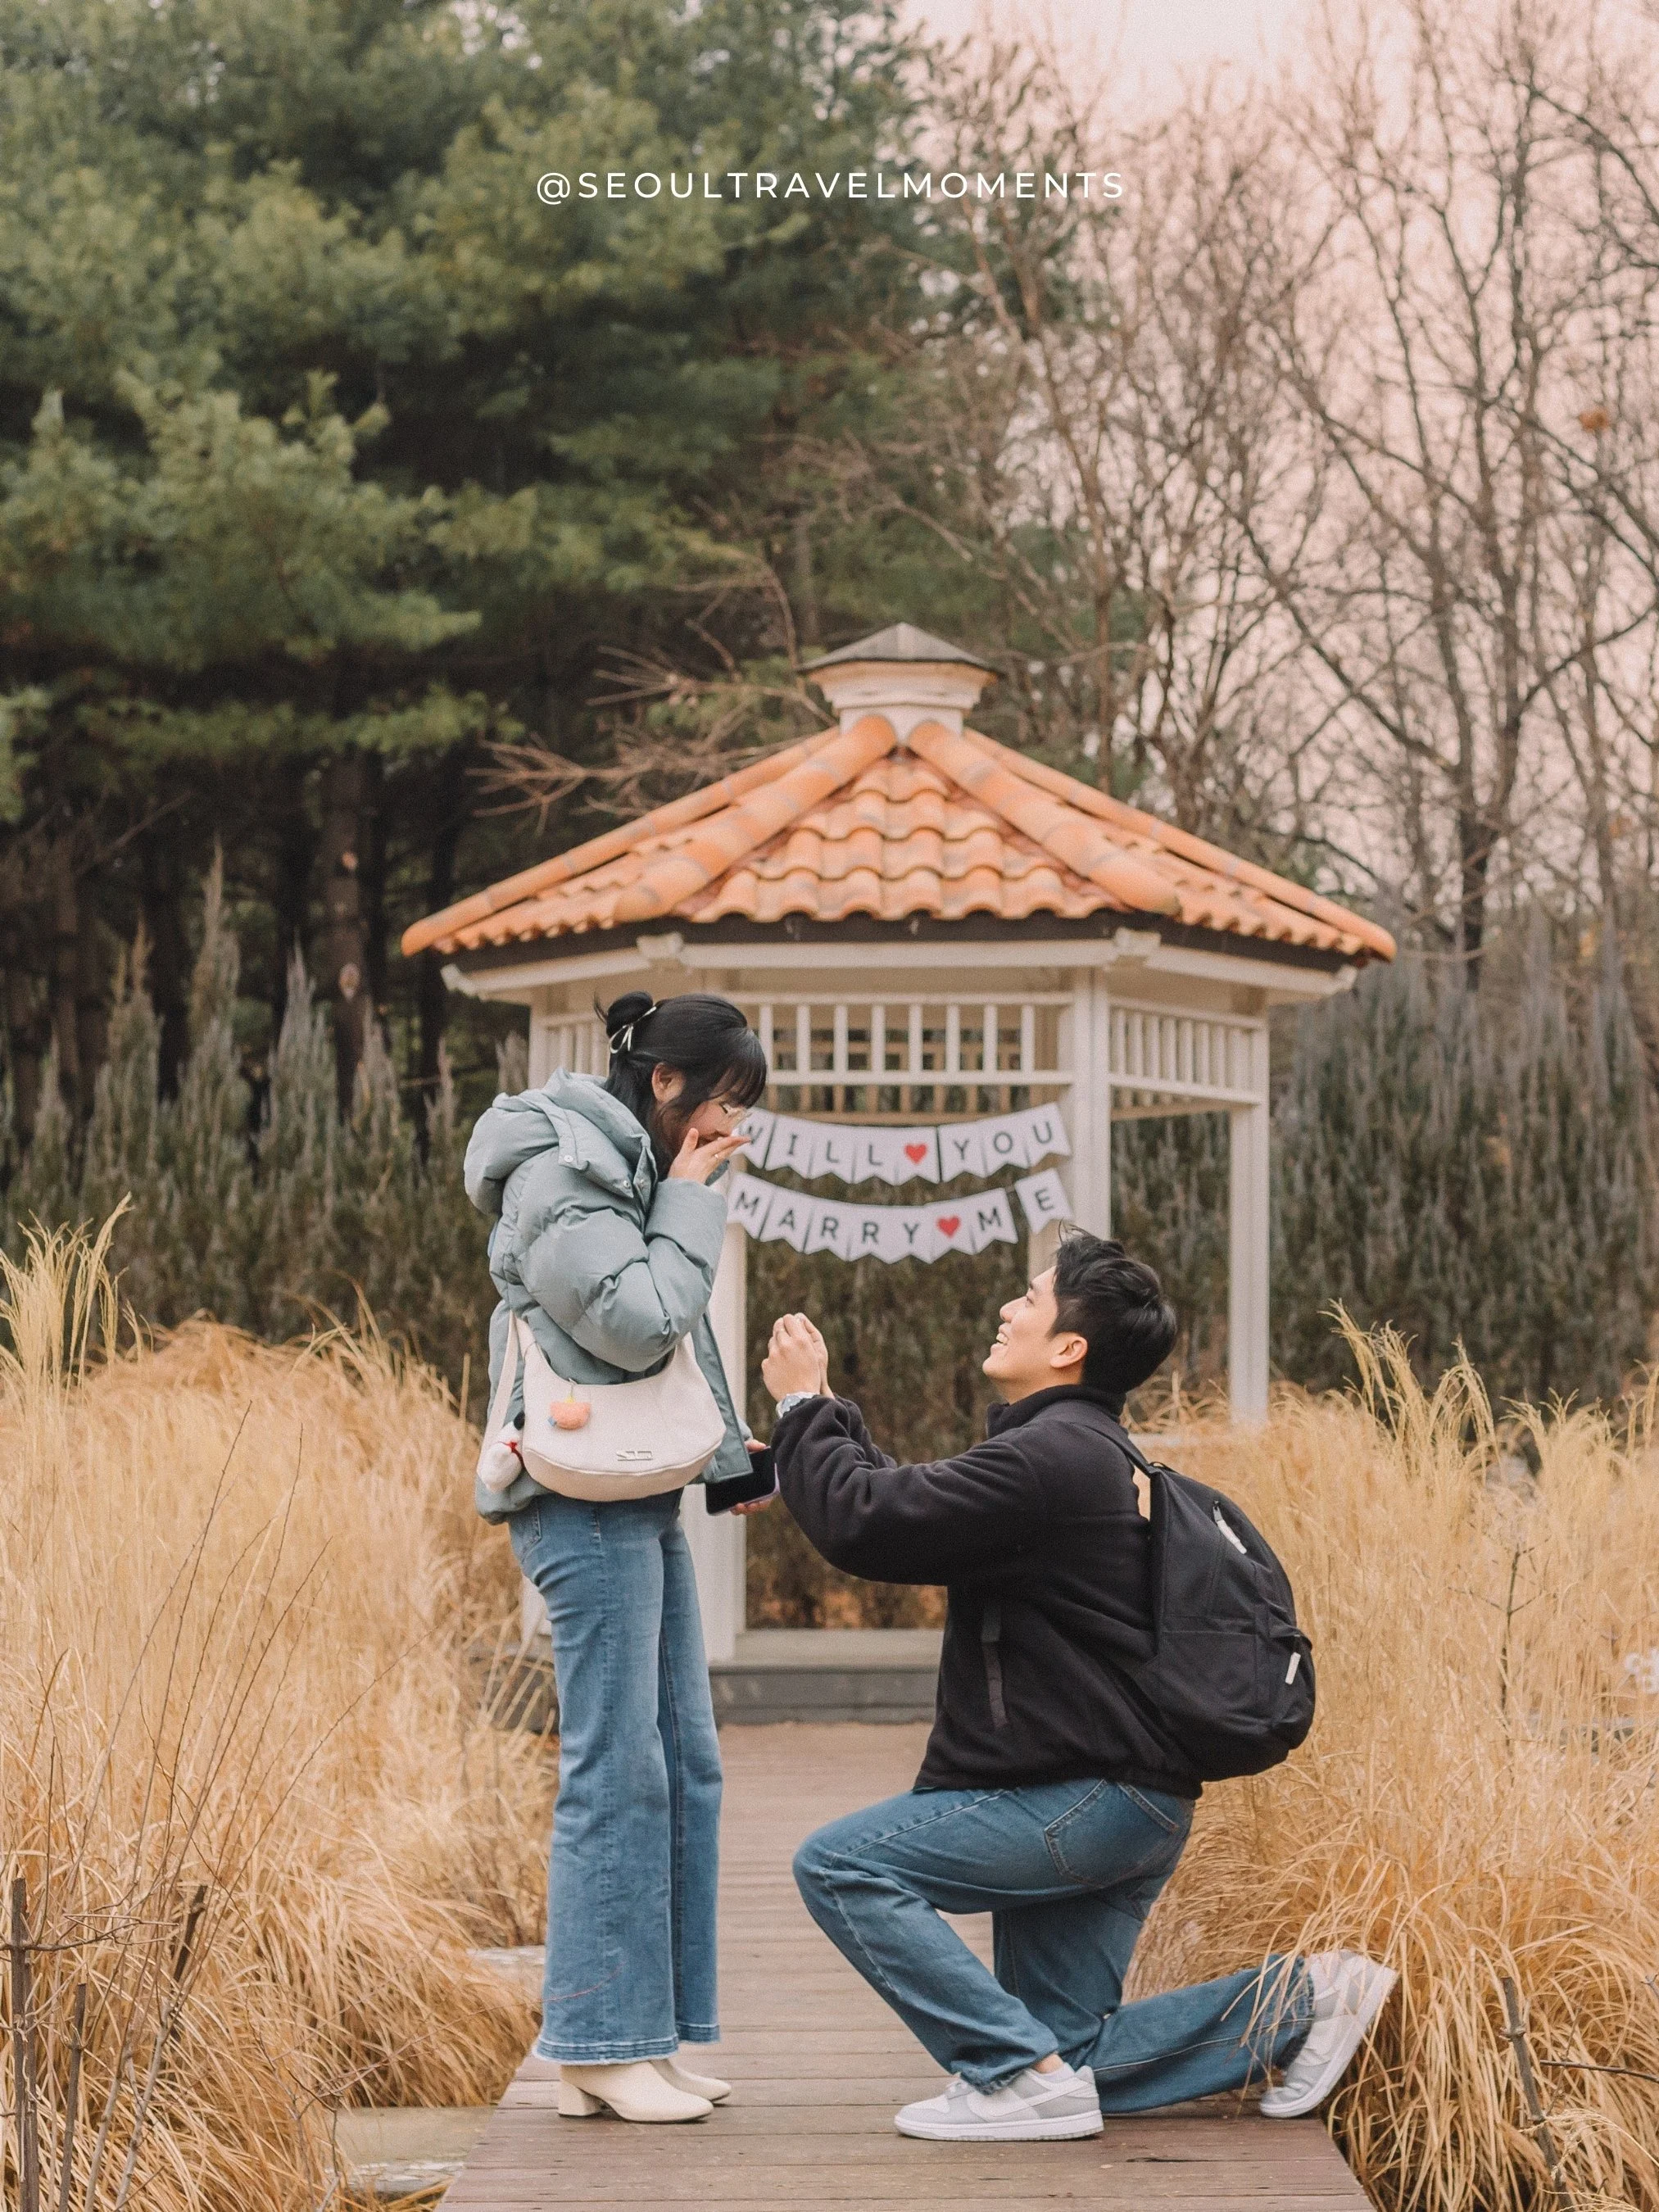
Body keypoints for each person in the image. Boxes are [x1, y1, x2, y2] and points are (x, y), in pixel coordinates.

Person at [761, 1230, 1396, 2143]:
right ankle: (1306, 2001)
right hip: (1119, 1799)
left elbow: (869, 1525)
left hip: (1085, 1800)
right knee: (1074, 2060)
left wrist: (799, 1410)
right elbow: (908, 1503)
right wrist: (815, 1427)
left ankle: (1009, 2072)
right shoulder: (1081, 1453)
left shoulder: (1053, 1458)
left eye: (1029, 1296)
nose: (1008, 1308)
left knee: (843, 1864)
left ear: (1069, 1347)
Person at [465, 990, 774, 2126]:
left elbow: (668, 1341)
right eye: (724, 1103)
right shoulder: (559, 1173)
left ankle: (650, 2033)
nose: (728, 1128)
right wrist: (692, 1201)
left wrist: (726, 1461)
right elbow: (641, 1319)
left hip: (636, 1489)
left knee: (683, 1760)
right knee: (616, 1769)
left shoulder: (635, 1169)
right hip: (573, 1498)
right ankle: (595, 2042)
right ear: (665, 1084)